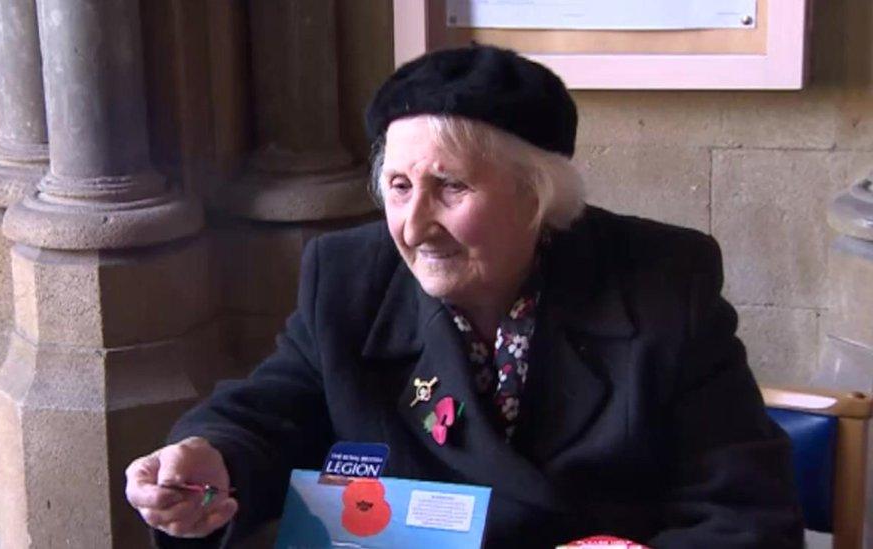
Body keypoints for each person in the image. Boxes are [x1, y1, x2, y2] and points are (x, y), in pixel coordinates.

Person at [126, 45, 803, 548]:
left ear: (536, 196)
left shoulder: (661, 285)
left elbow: (748, 512)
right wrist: (209, 455)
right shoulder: (349, 278)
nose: (414, 226)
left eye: (449, 187)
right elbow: (271, 413)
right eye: (397, 186)